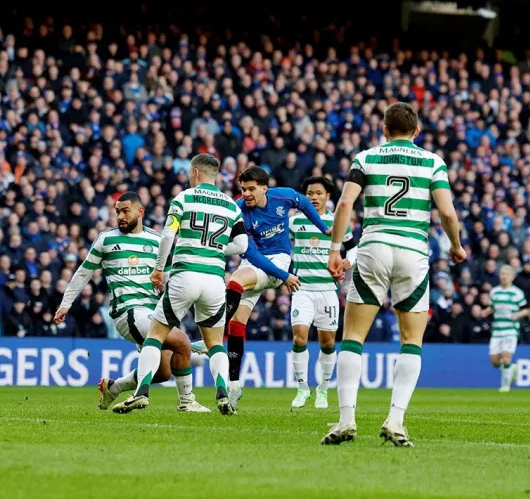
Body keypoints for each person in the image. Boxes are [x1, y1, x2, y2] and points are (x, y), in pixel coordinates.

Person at [321, 102, 467, 447]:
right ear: (416, 132)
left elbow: (344, 205)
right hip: (412, 251)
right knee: (411, 340)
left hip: (373, 246)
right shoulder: (433, 162)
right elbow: (446, 211)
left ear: (384, 129)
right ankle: (396, 420)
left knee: (354, 335)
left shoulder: (366, 158)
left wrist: (335, 249)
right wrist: (456, 246)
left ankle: (345, 419)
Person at [111, 154, 248, 415]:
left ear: (195, 173)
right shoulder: (231, 205)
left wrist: (159, 268)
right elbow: (242, 245)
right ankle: (221, 390)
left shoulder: (184, 198)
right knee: (215, 342)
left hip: (185, 275)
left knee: (156, 335)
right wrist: (216, 250)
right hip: (214, 280)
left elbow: (168, 236)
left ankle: (142, 392)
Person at [54, 192, 209, 412]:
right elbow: (83, 273)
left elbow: (170, 275)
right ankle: (186, 402)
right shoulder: (106, 239)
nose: (120, 216)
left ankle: (113, 388)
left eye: (125, 211)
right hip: (127, 312)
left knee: (163, 372)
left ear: (140, 212)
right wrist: (66, 303)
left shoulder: (157, 240)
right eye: (117, 211)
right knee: (182, 341)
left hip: (153, 312)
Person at [192, 166, 331, 411]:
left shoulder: (284, 196)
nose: (246, 193)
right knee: (237, 323)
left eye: (251, 188)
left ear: (264, 188)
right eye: (243, 188)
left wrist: (322, 227)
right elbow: (252, 254)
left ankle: (212, 336)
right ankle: (234, 386)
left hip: (279, 260)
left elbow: (305, 204)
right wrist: (284, 277)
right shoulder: (240, 210)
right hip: (257, 263)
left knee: (235, 282)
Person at [288, 176, 357, 409]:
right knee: (299, 336)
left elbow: (355, 248)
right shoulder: (294, 222)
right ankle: (302, 388)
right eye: (309, 193)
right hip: (302, 289)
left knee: (327, 343)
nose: (314, 197)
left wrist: (349, 261)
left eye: (318, 193)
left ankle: (323, 390)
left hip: (327, 290)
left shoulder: (338, 223)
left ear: (328, 196)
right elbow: (281, 249)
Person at [482, 265, 528, 393]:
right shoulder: (494, 292)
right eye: (502, 273)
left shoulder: (517, 293)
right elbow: (492, 307)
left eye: (506, 274)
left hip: (510, 330)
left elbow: (526, 310)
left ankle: (505, 386)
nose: (503, 276)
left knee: (506, 357)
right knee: (495, 362)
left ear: (512, 277)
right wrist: (486, 312)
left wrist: (517, 315)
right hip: (497, 330)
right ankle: (511, 368)